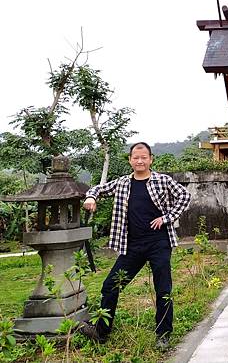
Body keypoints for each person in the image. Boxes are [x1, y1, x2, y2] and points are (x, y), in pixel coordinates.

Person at [79, 142, 191, 349]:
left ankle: (163, 335)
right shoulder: (122, 183)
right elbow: (99, 188)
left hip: (159, 243)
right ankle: (101, 332)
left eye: (144, 157)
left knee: (163, 289)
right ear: (130, 160)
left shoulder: (162, 180)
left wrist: (167, 218)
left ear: (150, 159)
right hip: (132, 246)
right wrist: (91, 196)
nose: (140, 161)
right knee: (110, 286)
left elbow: (185, 196)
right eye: (136, 157)